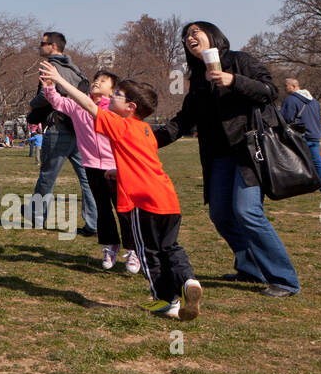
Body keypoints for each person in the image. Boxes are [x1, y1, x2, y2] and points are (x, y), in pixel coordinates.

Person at [39, 64, 202, 320]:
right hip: (167, 198)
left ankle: (165, 300)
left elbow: (88, 105)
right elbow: (142, 160)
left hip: (142, 200)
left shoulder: (121, 125)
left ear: (131, 107)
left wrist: (60, 79)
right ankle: (189, 281)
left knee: (148, 251)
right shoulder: (147, 130)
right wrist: (119, 171)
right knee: (170, 247)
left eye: (117, 96)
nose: (110, 98)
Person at [153, 21, 300, 297]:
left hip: (249, 153)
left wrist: (233, 80)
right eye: (185, 36)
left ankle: (285, 279)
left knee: (247, 211)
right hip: (218, 157)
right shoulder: (197, 78)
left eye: (195, 32)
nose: (189, 37)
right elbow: (183, 121)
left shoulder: (239, 61)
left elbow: (270, 92)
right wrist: (148, 141)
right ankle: (250, 268)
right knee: (220, 214)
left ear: (213, 35)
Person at [41, 69, 140, 273]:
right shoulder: (79, 104)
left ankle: (133, 250)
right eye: (96, 79)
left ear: (112, 91)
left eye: (103, 81)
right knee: (102, 209)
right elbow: (58, 102)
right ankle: (110, 246)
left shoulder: (114, 109)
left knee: (123, 209)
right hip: (91, 165)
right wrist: (49, 85)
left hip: (116, 166)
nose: (96, 83)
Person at [25, 31, 97, 235]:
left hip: (58, 127)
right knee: (87, 178)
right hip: (79, 128)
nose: (40, 46)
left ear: (53, 47)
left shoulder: (51, 66)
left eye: (43, 43)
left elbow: (44, 95)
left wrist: (31, 106)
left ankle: (37, 217)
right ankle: (93, 222)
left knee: (47, 176)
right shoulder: (76, 69)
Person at [280, 78, 321, 192]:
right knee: (317, 162)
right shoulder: (314, 101)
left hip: (299, 135)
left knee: (292, 161)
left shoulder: (291, 100)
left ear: (293, 86)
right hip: (314, 134)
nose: (284, 88)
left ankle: (296, 185)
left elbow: (286, 118)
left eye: (286, 86)